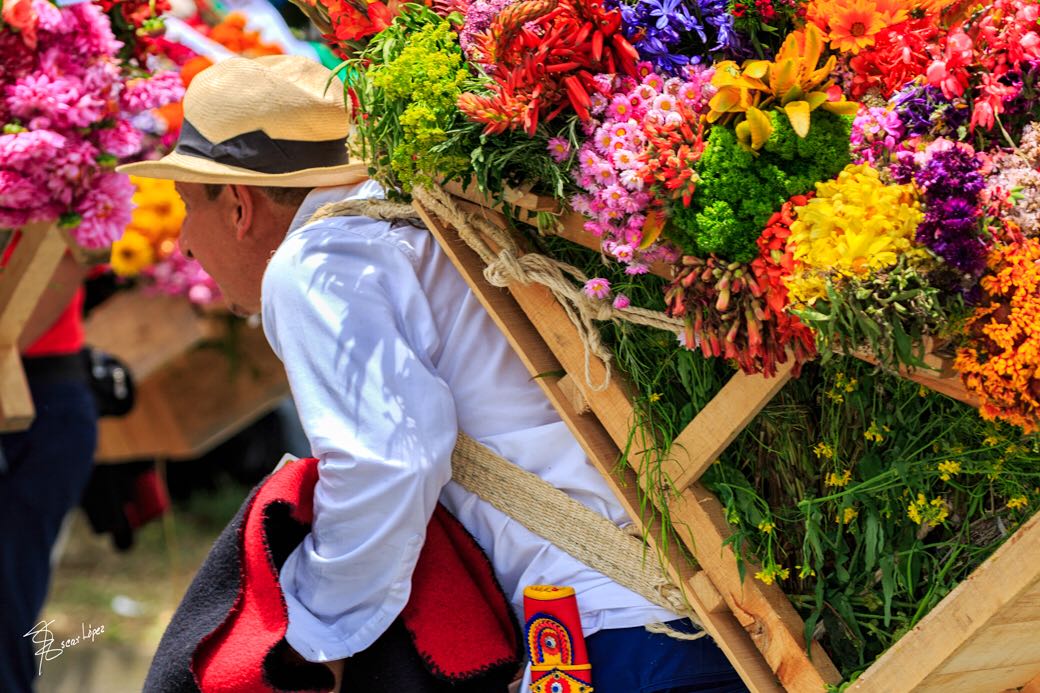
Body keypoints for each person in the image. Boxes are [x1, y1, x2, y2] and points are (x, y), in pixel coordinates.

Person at [121, 55, 745, 693]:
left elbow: (387, 461)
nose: (184, 245)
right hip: (706, 613)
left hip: (608, 636)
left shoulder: (316, 262)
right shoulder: (431, 220)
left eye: (185, 204)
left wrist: (311, 631)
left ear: (238, 204)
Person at [0, 253, 96, 692]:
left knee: (8, 604)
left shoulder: (57, 186)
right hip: (45, 397)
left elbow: (70, 257)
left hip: (41, 394)